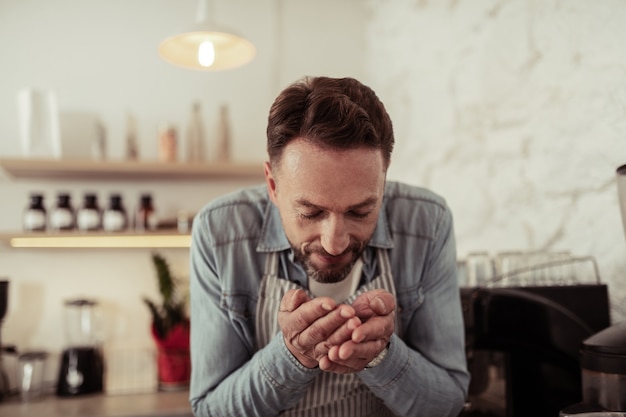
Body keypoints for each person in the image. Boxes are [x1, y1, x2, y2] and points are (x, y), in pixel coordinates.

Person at [189, 76, 470, 417]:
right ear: (273, 185)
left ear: (383, 180)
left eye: (361, 211)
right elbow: (210, 410)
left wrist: (382, 356)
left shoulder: (428, 223)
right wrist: (292, 355)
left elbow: (447, 403)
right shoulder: (220, 233)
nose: (334, 242)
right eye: (310, 212)